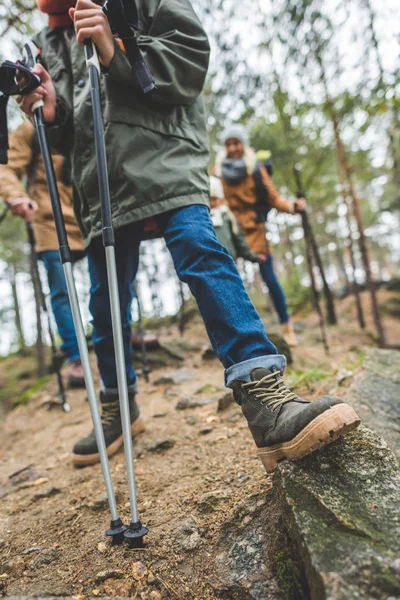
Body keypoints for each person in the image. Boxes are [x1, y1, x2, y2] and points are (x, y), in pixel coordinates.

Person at [19, 0, 360, 471]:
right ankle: (121, 405)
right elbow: (72, 133)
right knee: (105, 301)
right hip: (100, 185)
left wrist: (116, 54)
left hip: (167, 161)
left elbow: (190, 59)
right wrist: (51, 117)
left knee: (203, 254)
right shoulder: (50, 38)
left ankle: (266, 399)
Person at [0, 119, 85, 387]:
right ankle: (76, 357)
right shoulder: (30, 129)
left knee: (113, 276)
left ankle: (120, 334)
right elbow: (6, 168)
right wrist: (16, 196)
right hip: (50, 221)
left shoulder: (81, 115)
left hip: (90, 217)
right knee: (62, 291)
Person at [216, 125, 305, 347]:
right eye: (228, 144)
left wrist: (293, 206)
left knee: (270, 280)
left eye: (236, 143)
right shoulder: (218, 173)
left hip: (256, 231)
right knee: (228, 283)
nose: (233, 148)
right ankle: (235, 333)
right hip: (230, 233)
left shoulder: (255, 169)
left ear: (243, 145)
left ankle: (286, 327)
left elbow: (274, 198)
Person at [209, 176, 265, 265]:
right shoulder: (202, 219)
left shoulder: (227, 216)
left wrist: (254, 257)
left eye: (214, 199)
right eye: (209, 199)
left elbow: (240, 240)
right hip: (208, 263)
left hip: (228, 262)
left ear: (220, 198)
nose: (212, 203)